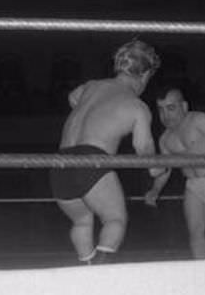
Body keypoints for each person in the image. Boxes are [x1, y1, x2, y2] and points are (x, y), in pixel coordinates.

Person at [49, 40, 160, 265]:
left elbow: (72, 97)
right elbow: (144, 149)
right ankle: (101, 275)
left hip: (58, 163)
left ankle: (87, 270)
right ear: (146, 74)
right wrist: (159, 168)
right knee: (115, 219)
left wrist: (95, 111)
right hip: (91, 160)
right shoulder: (136, 106)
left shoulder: (90, 86)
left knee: (82, 221)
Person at [145, 88, 205, 259]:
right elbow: (166, 167)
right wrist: (155, 189)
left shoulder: (200, 120)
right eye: (161, 110)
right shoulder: (165, 139)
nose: (166, 115)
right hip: (193, 184)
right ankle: (201, 273)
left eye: (171, 108)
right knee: (195, 232)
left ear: (184, 106)